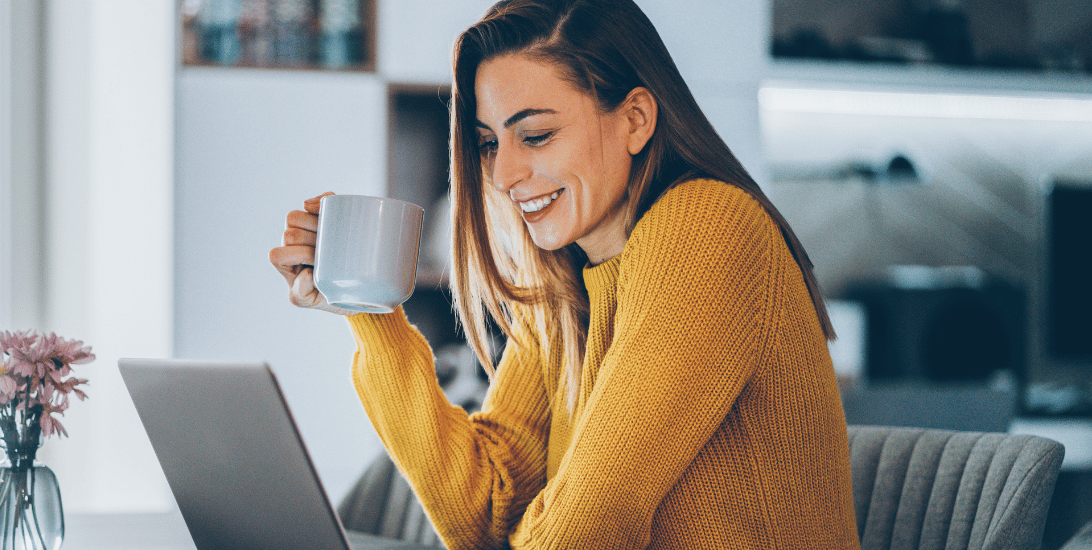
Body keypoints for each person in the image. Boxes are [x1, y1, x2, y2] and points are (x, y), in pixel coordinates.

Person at [270, 0, 859, 548]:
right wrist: (367, 307)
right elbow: (486, 512)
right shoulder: (565, 279)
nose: (502, 175)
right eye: (487, 143)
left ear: (634, 119)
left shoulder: (707, 227)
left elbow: (590, 526)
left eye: (535, 135)